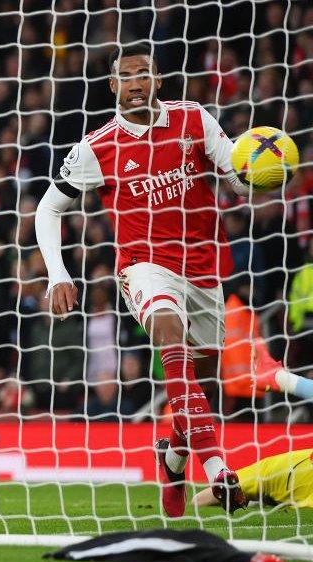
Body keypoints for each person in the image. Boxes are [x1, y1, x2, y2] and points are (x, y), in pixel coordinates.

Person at [35, 42, 294, 516]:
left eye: (144, 73)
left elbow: (235, 175)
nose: (136, 83)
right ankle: (218, 469)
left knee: (203, 385)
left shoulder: (194, 119)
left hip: (203, 267)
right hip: (143, 267)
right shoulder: (97, 146)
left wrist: (262, 169)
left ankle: (172, 456)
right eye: (127, 76)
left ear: (158, 80)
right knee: (170, 341)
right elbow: (49, 206)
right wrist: (57, 273)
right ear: (113, 86)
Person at [192, 449, 313, 511]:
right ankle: (257, 501)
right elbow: (198, 500)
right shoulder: (267, 471)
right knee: (204, 498)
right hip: (273, 473)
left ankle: (259, 501)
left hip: (290, 470)